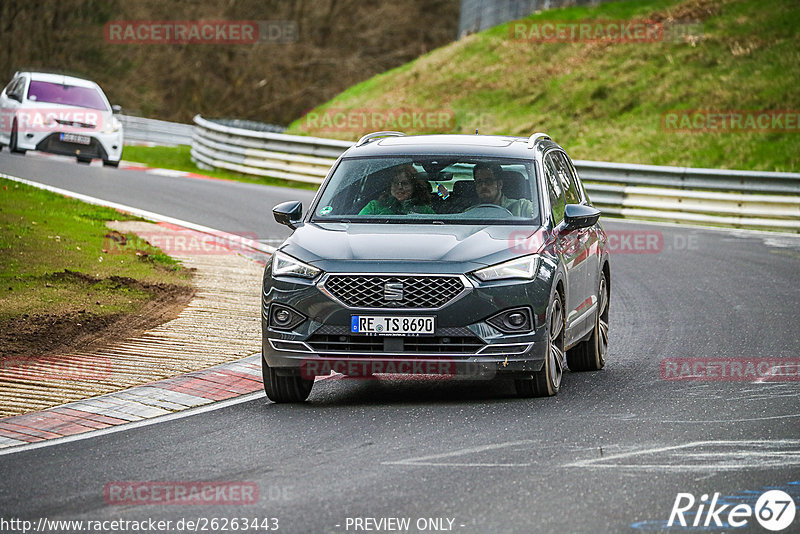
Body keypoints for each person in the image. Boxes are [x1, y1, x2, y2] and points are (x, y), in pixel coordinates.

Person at [359, 164, 435, 215]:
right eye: (395, 183)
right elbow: (357, 227)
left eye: (405, 183)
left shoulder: (424, 210)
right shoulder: (374, 206)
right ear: (390, 186)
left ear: (414, 187)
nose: (400, 187)